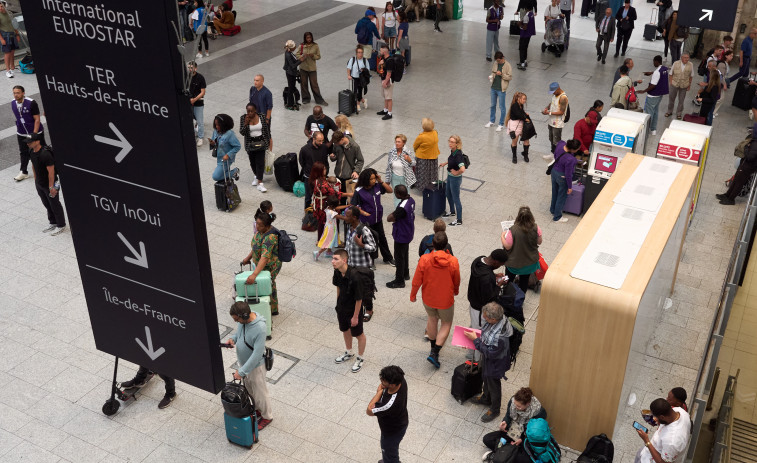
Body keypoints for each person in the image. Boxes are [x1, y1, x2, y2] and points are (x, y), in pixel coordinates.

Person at [411, 231, 460, 367]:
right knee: (446, 323)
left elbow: (416, 280)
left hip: (428, 297)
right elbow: (456, 280)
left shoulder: (424, 259)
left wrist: (413, 294)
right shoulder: (453, 261)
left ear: (433, 244)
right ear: (446, 244)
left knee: (432, 319)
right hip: (445, 300)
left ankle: (433, 347)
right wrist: (455, 290)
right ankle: (435, 352)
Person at [227, 301, 273, 430]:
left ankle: (267, 416)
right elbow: (239, 334)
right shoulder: (243, 322)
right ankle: (257, 409)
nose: (236, 322)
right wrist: (233, 339)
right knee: (250, 390)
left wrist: (241, 372)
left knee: (260, 393)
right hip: (245, 365)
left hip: (256, 367)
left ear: (245, 316)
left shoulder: (260, 328)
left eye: (237, 319)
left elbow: (257, 355)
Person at [465, 302, 513, 423]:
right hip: (490, 358)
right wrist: (469, 341)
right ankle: (486, 398)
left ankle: (495, 409)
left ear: (494, 319)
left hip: (496, 362)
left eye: (486, 317)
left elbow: (490, 352)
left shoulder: (500, 337)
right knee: (485, 376)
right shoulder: (497, 320)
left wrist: (475, 341)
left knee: (493, 384)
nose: (484, 318)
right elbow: (485, 334)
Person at [481, 387, 547, 457]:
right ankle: (508, 452)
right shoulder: (513, 401)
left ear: (527, 404)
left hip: (524, 436)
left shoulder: (538, 412)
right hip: (511, 431)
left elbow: (535, 433)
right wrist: (505, 422)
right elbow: (508, 415)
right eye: (515, 404)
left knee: (527, 456)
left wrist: (522, 439)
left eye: (519, 406)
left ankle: (503, 452)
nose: (515, 407)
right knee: (487, 439)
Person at [467, 249, 509, 358]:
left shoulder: (478, 260)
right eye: (500, 264)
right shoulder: (486, 277)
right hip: (481, 310)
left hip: (473, 304)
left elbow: (484, 277)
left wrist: (493, 275)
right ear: (495, 262)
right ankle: (477, 360)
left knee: (474, 328)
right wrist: (498, 285)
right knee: (480, 334)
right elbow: (490, 297)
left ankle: (470, 353)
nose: (499, 266)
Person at [331, 248, 368, 373]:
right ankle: (349, 352)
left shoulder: (355, 277)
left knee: (359, 334)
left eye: (336, 259)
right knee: (345, 329)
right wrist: (338, 304)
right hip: (342, 307)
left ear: (344, 260)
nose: (332, 261)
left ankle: (360, 357)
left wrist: (356, 316)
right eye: (333, 258)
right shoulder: (337, 272)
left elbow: (359, 299)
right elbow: (338, 288)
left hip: (353, 310)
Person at [25, 134, 66, 235]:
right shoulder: (31, 151)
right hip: (40, 184)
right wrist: (36, 180)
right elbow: (33, 166)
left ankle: (61, 224)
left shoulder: (45, 154)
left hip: (50, 185)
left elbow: (51, 172)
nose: (28, 143)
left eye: (30, 142)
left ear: (37, 142)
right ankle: (53, 222)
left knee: (55, 204)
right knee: (46, 204)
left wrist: (51, 187)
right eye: (27, 142)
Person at [241, 212, 282, 316]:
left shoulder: (270, 238)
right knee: (264, 284)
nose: (257, 226)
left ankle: (272, 309)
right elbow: (256, 246)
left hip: (271, 266)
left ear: (267, 226)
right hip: (261, 264)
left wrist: (254, 274)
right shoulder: (260, 232)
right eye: (257, 223)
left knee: (269, 284)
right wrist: (248, 258)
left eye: (260, 225)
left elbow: (264, 257)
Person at [352, 169, 395, 266]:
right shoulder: (359, 191)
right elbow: (353, 205)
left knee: (382, 238)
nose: (373, 180)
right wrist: (362, 212)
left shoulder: (377, 186)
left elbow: (390, 191)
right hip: (366, 221)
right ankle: (370, 261)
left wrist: (381, 181)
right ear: (366, 180)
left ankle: (388, 258)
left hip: (378, 218)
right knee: (369, 240)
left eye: (374, 178)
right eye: (371, 179)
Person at [366, 365, 408, 463]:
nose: (381, 382)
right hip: (400, 421)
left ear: (392, 384)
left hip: (392, 431)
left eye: (383, 381)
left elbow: (369, 411)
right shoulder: (401, 381)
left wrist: (379, 392)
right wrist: (384, 387)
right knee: (389, 452)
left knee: (389, 452)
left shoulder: (389, 404)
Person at [343, 205, 378, 320]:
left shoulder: (363, 230)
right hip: (351, 265)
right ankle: (356, 307)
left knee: (366, 290)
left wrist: (361, 245)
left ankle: (369, 310)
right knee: (353, 288)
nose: (345, 217)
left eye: (347, 216)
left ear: (354, 217)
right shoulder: (349, 227)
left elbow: (373, 247)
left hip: (363, 267)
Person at [501, 206, 542, 296]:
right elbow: (539, 242)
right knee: (524, 281)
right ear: (531, 216)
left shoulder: (513, 230)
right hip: (529, 263)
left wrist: (502, 236)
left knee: (509, 279)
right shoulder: (536, 228)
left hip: (513, 264)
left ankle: (507, 296)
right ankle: (521, 297)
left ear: (518, 216)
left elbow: (507, 246)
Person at [635, 398, 691, 463]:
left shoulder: (672, 442)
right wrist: (660, 423)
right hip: (647, 452)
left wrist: (646, 441)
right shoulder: (680, 412)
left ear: (662, 417)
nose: (654, 418)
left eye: (655, 416)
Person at [11, 85, 45, 182]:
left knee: (41, 150)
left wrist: (34, 134)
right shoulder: (13, 103)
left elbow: (37, 119)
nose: (16, 95)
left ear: (23, 93)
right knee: (23, 152)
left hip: (35, 131)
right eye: (14, 93)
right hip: (21, 132)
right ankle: (23, 171)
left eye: (18, 93)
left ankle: (47, 167)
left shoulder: (31, 103)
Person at [718, 124, 757, 205]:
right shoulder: (754, 141)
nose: (752, 131)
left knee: (739, 183)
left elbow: (750, 157)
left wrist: (746, 148)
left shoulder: (755, 143)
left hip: (748, 166)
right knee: (736, 180)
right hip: (745, 164)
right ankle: (727, 195)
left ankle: (731, 199)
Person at [386, 185, 415, 288]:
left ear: (398, 194)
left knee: (399, 257)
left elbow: (389, 218)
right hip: (408, 232)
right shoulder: (411, 200)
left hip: (401, 234)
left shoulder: (402, 207)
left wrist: (393, 215)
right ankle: (405, 273)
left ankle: (399, 281)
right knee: (404, 254)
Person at [240, 103, 272, 193]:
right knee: (253, 163)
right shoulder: (243, 118)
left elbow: (266, 130)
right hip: (250, 144)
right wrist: (246, 124)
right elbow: (242, 132)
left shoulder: (261, 116)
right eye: (248, 111)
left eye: (251, 111)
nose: (249, 113)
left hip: (261, 142)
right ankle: (257, 176)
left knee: (260, 163)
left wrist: (268, 143)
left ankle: (260, 183)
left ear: (255, 110)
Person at [549, 139, 581, 223]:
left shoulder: (561, 143)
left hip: (554, 172)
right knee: (561, 196)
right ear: (573, 150)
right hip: (562, 177)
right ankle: (557, 217)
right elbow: (568, 174)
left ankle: (553, 210)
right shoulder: (571, 159)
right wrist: (570, 187)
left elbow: (556, 155)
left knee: (555, 192)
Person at [637, 55, 669, 136]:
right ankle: (653, 130)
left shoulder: (657, 73)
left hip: (652, 96)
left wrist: (643, 91)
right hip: (660, 95)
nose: (653, 63)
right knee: (655, 112)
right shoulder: (664, 69)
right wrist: (652, 72)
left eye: (654, 61)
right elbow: (658, 73)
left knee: (649, 113)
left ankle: (646, 131)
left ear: (656, 61)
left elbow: (653, 85)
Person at [311, 161, 343, 239]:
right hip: (325, 206)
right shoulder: (324, 184)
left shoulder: (315, 180)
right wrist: (349, 194)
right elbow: (334, 194)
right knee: (330, 223)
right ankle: (334, 241)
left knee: (321, 223)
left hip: (319, 205)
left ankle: (320, 239)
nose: (325, 169)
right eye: (324, 169)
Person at [299, 131, 330, 209]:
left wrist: (325, 172)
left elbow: (325, 160)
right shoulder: (305, 149)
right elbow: (302, 161)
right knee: (308, 196)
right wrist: (308, 169)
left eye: (322, 140)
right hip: (309, 176)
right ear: (313, 139)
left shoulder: (324, 147)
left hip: (321, 176)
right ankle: (307, 212)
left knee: (321, 194)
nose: (321, 142)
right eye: (319, 140)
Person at [440, 135, 466, 227]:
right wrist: (445, 163)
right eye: (449, 141)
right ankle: (452, 211)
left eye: (452, 142)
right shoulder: (453, 151)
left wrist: (456, 172)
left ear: (457, 144)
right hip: (450, 176)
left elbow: (462, 169)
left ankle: (459, 220)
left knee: (456, 198)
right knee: (448, 193)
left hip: (455, 179)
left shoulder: (458, 155)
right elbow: (451, 159)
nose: (450, 143)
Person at [296, 32, 327, 106]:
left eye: (310, 37)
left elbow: (318, 56)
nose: (309, 39)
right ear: (305, 38)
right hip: (303, 68)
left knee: (314, 84)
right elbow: (297, 54)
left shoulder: (315, 46)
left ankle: (319, 99)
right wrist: (302, 57)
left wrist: (313, 56)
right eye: (307, 38)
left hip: (312, 68)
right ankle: (306, 98)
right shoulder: (302, 46)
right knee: (304, 84)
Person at [385, 135, 416, 206]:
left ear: (403, 143)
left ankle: (405, 208)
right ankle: (397, 210)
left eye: (399, 142)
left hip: (405, 178)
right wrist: (387, 180)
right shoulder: (392, 152)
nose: (396, 143)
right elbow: (388, 167)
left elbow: (414, 163)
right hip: (394, 177)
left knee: (406, 195)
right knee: (396, 195)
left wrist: (409, 160)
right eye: (396, 141)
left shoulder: (407, 152)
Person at [485, 51, 513, 132]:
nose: (498, 62)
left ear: (502, 58)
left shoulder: (507, 65)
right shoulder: (495, 63)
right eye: (497, 60)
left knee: (502, 107)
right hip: (493, 87)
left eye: (499, 60)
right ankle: (492, 121)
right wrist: (491, 76)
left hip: (501, 89)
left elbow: (510, 77)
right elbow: (493, 72)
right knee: (493, 105)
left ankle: (501, 124)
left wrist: (501, 74)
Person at [331, 130, 364, 196]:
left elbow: (360, 160)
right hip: (338, 175)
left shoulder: (355, 146)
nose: (336, 144)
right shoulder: (336, 145)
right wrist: (333, 157)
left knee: (348, 197)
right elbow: (335, 156)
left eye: (337, 143)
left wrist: (356, 171)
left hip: (348, 176)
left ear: (342, 139)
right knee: (338, 196)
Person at [209, 114, 241, 182]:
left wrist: (228, 154)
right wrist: (213, 143)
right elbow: (215, 141)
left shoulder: (230, 134)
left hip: (226, 159)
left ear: (224, 125)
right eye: (215, 125)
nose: (216, 127)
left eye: (218, 125)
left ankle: (234, 171)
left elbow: (237, 146)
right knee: (223, 175)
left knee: (216, 176)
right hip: (219, 157)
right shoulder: (215, 131)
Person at [413, 118, 441, 192]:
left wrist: (416, 151)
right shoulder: (435, 133)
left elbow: (415, 146)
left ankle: (422, 188)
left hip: (423, 158)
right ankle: (432, 187)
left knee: (422, 174)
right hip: (433, 157)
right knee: (432, 173)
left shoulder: (421, 136)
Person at [315, 196, 345, 261]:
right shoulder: (333, 213)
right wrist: (349, 218)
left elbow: (338, 207)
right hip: (331, 229)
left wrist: (348, 205)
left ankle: (329, 252)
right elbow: (341, 217)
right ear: (333, 205)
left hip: (329, 227)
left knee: (332, 240)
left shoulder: (328, 208)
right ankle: (318, 253)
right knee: (328, 242)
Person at [542, 82, 568, 155]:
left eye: (554, 92)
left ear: (558, 89)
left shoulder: (563, 98)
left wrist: (549, 113)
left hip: (558, 123)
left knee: (556, 140)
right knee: (551, 137)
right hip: (551, 121)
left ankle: (556, 155)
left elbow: (561, 112)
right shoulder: (555, 95)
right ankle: (552, 152)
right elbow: (552, 103)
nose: (553, 93)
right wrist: (547, 108)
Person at [505, 92, 532, 164]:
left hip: (521, 124)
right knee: (515, 140)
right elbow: (518, 114)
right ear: (518, 99)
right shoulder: (514, 106)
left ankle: (526, 155)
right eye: (523, 99)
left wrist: (525, 114)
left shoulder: (520, 105)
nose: (524, 101)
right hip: (514, 125)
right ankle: (514, 156)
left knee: (526, 139)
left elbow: (521, 113)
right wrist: (526, 118)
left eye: (525, 99)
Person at [665, 53, 693, 120]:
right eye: (685, 57)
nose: (687, 59)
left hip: (684, 85)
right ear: (681, 57)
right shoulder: (676, 63)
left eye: (688, 57)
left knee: (681, 100)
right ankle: (669, 111)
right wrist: (671, 82)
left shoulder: (691, 65)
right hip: (674, 84)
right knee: (671, 99)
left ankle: (679, 113)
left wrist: (689, 85)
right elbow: (671, 74)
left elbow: (691, 76)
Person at [188, 62, 207, 148]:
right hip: (189, 103)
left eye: (191, 68)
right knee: (190, 119)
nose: (190, 69)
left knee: (199, 121)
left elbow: (203, 92)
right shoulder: (186, 77)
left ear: (195, 68)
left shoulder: (200, 78)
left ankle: (200, 137)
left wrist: (194, 99)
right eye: (189, 67)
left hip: (198, 103)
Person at [347, 45, 370, 113]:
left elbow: (368, 70)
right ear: (356, 53)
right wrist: (348, 75)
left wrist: (364, 70)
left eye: (361, 52)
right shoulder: (352, 59)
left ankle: (359, 103)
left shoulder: (365, 61)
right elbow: (348, 68)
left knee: (359, 92)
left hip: (361, 79)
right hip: (354, 78)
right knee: (355, 92)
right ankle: (361, 102)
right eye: (359, 52)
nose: (360, 54)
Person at [0, 2, 20, 79]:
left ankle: (12, 68)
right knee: (7, 53)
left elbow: (14, 24)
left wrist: (17, 34)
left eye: (2, 6)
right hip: (5, 36)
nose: (0, 8)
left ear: (5, 6)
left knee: (12, 51)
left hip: (12, 34)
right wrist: (1, 39)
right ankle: (7, 71)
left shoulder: (9, 13)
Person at [376, 45, 395, 120]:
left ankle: (389, 113)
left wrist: (385, 82)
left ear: (384, 51)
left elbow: (389, 74)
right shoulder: (384, 59)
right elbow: (378, 68)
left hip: (388, 81)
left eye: (381, 51)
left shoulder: (390, 61)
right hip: (383, 80)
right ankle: (385, 110)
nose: (380, 52)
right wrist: (380, 64)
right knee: (385, 96)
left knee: (389, 97)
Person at [714, 50, 734, 117]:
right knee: (720, 98)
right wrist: (724, 84)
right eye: (730, 56)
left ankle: (713, 111)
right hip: (719, 82)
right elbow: (721, 75)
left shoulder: (726, 63)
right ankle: (712, 111)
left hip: (722, 81)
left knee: (720, 98)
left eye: (732, 56)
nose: (732, 57)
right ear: (726, 56)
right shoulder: (722, 64)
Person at [283, 40, 301, 110]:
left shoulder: (289, 52)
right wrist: (301, 60)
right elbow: (293, 65)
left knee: (292, 87)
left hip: (292, 72)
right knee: (291, 88)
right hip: (290, 73)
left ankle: (293, 102)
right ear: (291, 48)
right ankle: (290, 104)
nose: (296, 46)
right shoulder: (288, 54)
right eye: (294, 46)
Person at [517, 6, 536, 70]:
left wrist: (520, 25)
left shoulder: (526, 16)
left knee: (521, 48)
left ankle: (522, 64)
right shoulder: (531, 14)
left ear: (526, 8)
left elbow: (525, 27)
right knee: (525, 48)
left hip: (524, 35)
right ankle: (525, 61)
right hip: (529, 35)